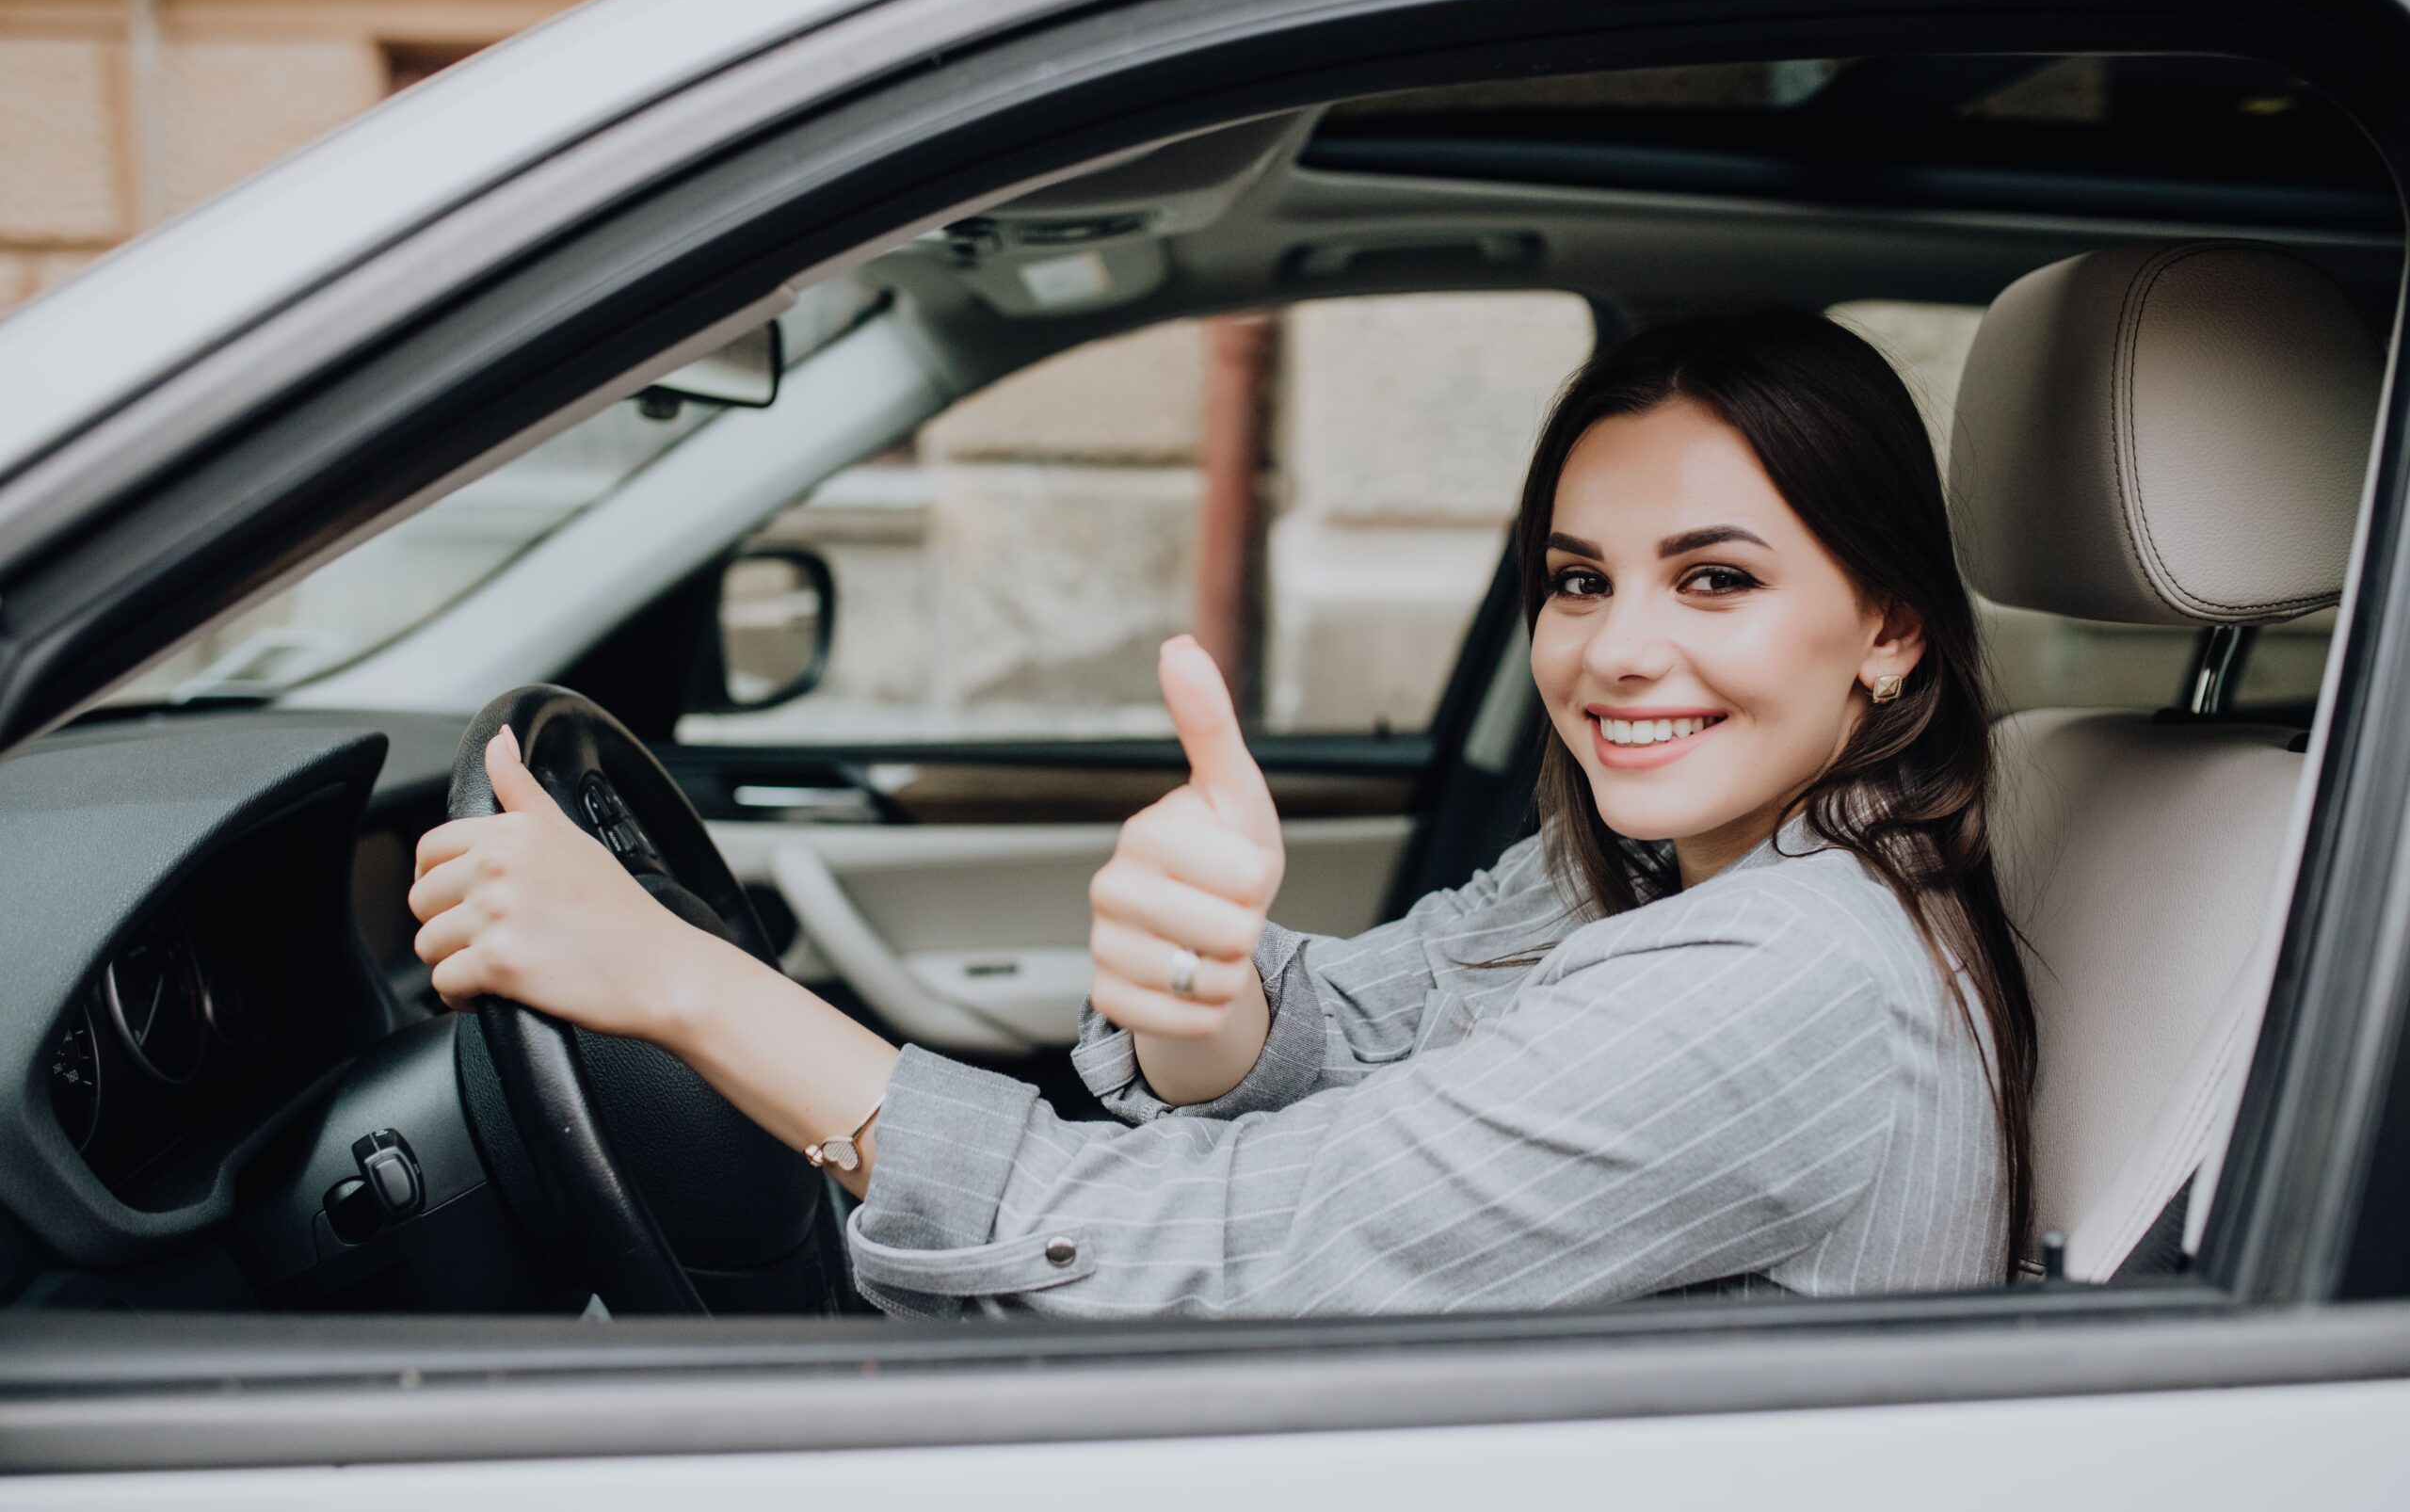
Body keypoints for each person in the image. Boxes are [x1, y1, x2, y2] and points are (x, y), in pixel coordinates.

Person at [407, 308, 2037, 1317]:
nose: (1618, 650)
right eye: (1576, 581)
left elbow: (1208, 1260)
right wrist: (1214, 1000)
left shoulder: (1780, 979)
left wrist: (684, 987)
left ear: (1888, 627)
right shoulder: (1649, 869)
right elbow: (1357, 1024)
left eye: (1716, 580)